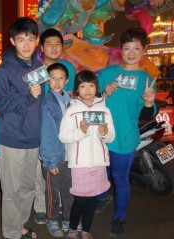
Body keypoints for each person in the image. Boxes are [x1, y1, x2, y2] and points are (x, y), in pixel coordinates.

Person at [98, 27, 157, 237]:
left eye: (136, 48)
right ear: (120, 50)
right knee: (100, 173)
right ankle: (102, 196)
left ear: (144, 50)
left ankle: (119, 216)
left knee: (120, 178)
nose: (131, 53)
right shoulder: (107, 73)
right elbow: (91, 99)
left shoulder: (146, 80)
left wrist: (149, 102)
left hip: (124, 138)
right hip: (99, 136)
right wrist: (103, 92)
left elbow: (148, 113)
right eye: (127, 48)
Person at [0, 17, 43, 239]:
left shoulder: (39, 67)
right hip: (12, 138)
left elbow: (43, 101)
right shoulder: (5, 70)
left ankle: (20, 223)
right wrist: (28, 98)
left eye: (30, 39)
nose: (25, 44)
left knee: (28, 187)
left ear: (36, 40)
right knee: (12, 190)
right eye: (21, 39)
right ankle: (12, 232)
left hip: (34, 137)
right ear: (12, 41)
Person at [59, 70, 115, 239]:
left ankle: (86, 231)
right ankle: (72, 229)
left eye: (91, 85)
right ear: (77, 90)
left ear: (96, 88)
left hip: (98, 162)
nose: (88, 89)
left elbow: (111, 137)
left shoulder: (104, 110)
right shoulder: (72, 110)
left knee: (92, 201)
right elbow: (63, 136)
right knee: (79, 200)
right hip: (79, 164)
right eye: (83, 86)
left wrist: (104, 133)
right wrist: (80, 132)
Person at [33, 28, 77, 225]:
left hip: (65, 149)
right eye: (49, 44)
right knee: (44, 180)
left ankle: (64, 214)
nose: (53, 48)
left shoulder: (67, 69)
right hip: (40, 134)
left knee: (64, 185)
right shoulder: (35, 69)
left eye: (57, 44)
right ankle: (45, 212)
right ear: (42, 47)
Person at [40, 63, 73, 238]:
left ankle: (68, 219)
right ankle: (52, 219)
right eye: (53, 78)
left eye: (61, 78)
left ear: (66, 80)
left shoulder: (70, 100)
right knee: (52, 192)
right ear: (47, 81)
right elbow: (47, 135)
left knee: (69, 190)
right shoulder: (48, 103)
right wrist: (50, 161)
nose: (57, 81)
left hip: (69, 155)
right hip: (53, 156)